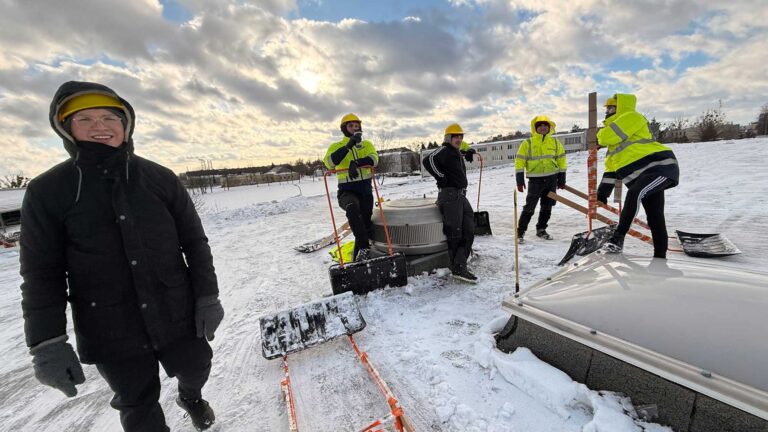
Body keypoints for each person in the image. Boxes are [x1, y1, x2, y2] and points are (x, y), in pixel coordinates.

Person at [20, 81, 224, 432]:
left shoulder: (159, 178)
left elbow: (194, 242)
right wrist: (47, 343)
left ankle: (190, 396)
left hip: (176, 311)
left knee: (196, 368)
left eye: (109, 117)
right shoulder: (48, 191)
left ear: (125, 124)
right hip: (109, 326)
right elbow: (41, 274)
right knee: (136, 404)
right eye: (85, 119)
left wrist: (207, 296)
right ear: (66, 128)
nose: (100, 127)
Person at [597, 93, 679, 258]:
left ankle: (617, 238)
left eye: (612, 108)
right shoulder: (614, 147)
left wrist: (599, 136)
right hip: (643, 176)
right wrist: (602, 194)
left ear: (620, 107)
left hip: (659, 167)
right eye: (607, 109)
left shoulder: (632, 116)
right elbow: (611, 171)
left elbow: (605, 136)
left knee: (635, 193)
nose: (608, 112)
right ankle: (660, 257)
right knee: (655, 216)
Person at [422, 123, 478, 283]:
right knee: (455, 232)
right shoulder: (445, 150)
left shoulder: (455, 152)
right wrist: (440, 177)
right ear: (449, 138)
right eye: (456, 136)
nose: (459, 139)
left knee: (469, 229)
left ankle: (461, 263)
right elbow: (428, 160)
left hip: (461, 195)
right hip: (449, 195)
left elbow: (463, 148)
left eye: (461, 136)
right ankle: (458, 268)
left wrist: (468, 151)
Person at [323, 113, 379, 262]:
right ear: (344, 129)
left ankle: (360, 259)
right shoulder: (336, 146)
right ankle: (364, 248)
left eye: (357, 126)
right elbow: (329, 163)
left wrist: (357, 163)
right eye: (351, 126)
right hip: (347, 191)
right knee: (352, 209)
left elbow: (374, 159)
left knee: (365, 223)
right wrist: (349, 146)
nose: (355, 128)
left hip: (365, 191)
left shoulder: (367, 145)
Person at [514, 115, 567, 243]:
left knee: (547, 206)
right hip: (535, 181)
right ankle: (520, 233)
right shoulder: (527, 143)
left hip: (551, 179)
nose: (543, 128)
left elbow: (561, 160)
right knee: (529, 207)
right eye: (540, 126)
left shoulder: (555, 142)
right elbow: (519, 161)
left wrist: (562, 178)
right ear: (535, 128)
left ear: (549, 127)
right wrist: (520, 180)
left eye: (545, 125)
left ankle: (541, 229)